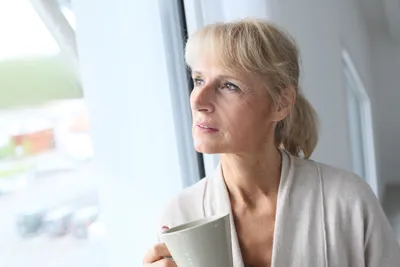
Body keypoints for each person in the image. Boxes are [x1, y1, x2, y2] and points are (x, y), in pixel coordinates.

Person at [142, 18, 400, 267]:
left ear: (281, 103)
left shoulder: (348, 202)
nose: (197, 100)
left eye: (229, 85)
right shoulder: (180, 214)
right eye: (198, 80)